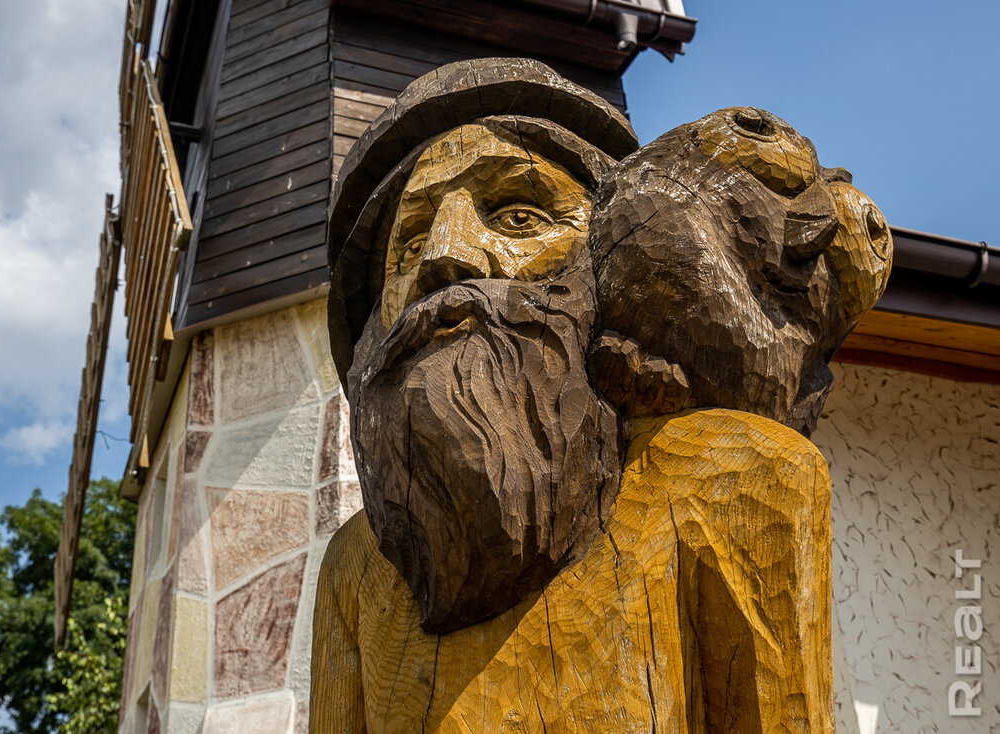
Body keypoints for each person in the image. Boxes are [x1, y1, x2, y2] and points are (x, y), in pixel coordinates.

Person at [311, 58, 890, 733]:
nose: (445, 255)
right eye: (408, 247)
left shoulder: (730, 473)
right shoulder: (358, 568)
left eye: (519, 215)